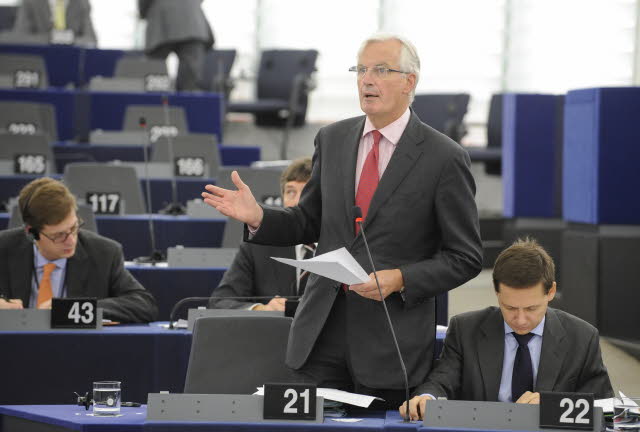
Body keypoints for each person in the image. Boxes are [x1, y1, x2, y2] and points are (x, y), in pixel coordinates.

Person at [202, 33, 482, 409]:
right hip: (319, 334)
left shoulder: (444, 158)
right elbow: (308, 221)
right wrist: (259, 218)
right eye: (361, 69)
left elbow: (464, 257)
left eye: (381, 70)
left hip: (390, 342)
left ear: (409, 82)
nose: (367, 79)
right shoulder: (332, 139)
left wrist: (401, 278)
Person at [400, 239, 614, 421]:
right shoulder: (465, 330)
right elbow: (441, 380)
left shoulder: (582, 337)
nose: (520, 320)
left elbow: (605, 407)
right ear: (496, 292)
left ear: (551, 292)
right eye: (510, 307)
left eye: (531, 308)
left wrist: (554, 405)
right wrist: (427, 398)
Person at [0, 177, 158, 323]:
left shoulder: (104, 253)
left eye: (74, 227)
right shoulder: (3, 247)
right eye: (59, 235)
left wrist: (74, 308)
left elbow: (144, 305)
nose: (71, 240)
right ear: (31, 233)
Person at [209, 157, 313, 311]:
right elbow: (220, 302)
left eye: (306, 192)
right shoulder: (259, 245)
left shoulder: (343, 241)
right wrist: (261, 310)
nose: (296, 201)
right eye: (290, 192)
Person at [139, 0, 214, 91]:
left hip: (161, 19)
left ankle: (155, 100)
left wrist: (142, 12)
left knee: (154, 79)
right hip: (191, 20)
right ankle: (187, 99)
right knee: (189, 84)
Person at [12, 0, 97, 47]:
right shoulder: (30, 2)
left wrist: (70, 39)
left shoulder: (81, 3)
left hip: (70, 61)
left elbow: (91, 40)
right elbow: (20, 38)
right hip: (40, 62)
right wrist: (51, 38)